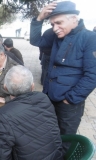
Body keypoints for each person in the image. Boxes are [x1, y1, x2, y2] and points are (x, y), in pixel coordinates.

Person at [30, 1, 96, 152]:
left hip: (69, 103)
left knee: (65, 141)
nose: (55, 28)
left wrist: (70, 99)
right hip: (49, 97)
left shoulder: (90, 38)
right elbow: (35, 40)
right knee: (49, 134)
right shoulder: (55, 35)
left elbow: (93, 75)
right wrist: (39, 19)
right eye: (52, 24)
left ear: (74, 19)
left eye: (59, 23)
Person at [0, 65, 63, 160]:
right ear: (33, 86)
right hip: (56, 156)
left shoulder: (3, 115)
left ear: (5, 88)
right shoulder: (44, 99)